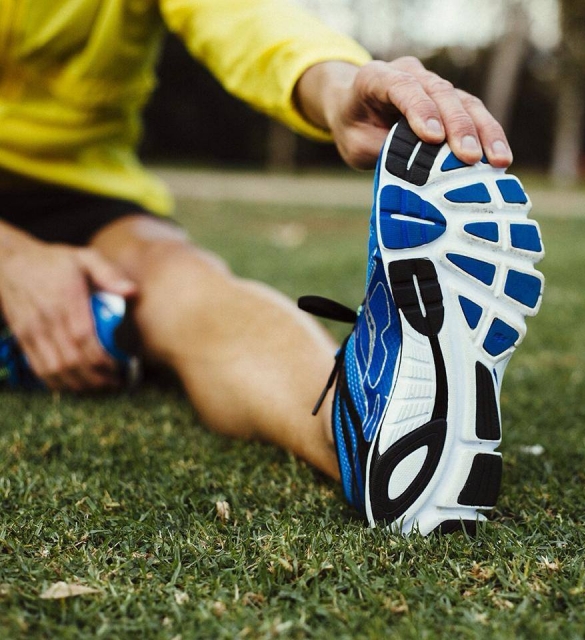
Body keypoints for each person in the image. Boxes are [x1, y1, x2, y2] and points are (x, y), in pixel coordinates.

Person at [0, 0, 543, 535]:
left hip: (82, 189)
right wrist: (14, 259)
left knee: (177, 280)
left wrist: (338, 87)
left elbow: (240, 16)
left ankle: (357, 432)